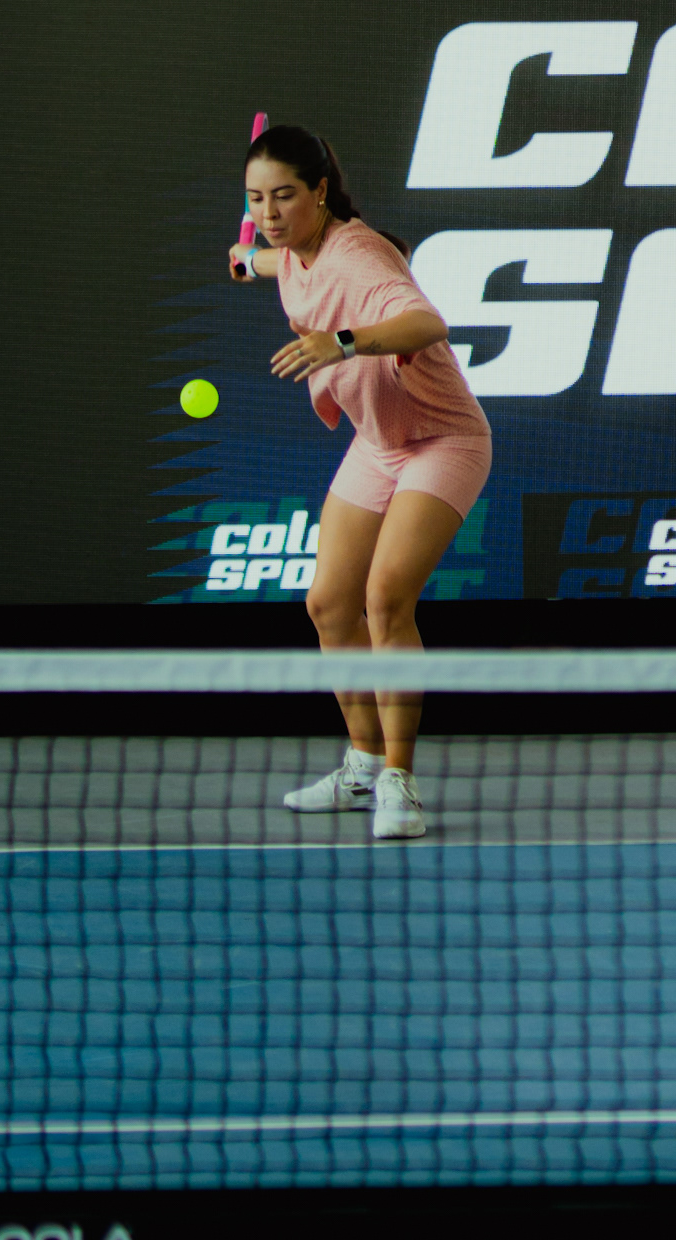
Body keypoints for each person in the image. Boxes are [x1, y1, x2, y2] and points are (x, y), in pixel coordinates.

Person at [230, 124, 490, 840]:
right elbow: (276, 261)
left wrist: (340, 343)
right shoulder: (292, 249)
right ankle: (363, 764)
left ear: (320, 192)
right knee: (328, 603)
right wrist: (249, 262)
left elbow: (425, 322)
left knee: (386, 598)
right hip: (378, 444)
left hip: (442, 439)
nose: (270, 213)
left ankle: (400, 782)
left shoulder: (358, 254)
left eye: (284, 196)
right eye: (256, 199)